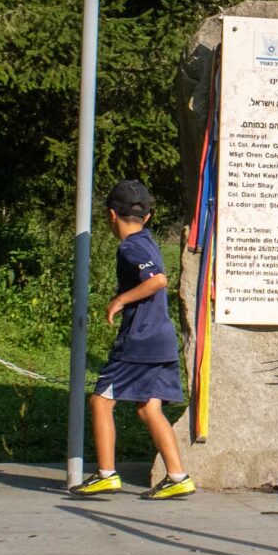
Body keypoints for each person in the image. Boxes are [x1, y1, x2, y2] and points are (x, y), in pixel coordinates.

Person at [71, 179, 194, 500]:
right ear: (147, 217)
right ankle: (178, 476)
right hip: (162, 339)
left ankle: (106, 474)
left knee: (101, 401)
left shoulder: (130, 247)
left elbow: (157, 280)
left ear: (111, 215)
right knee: (148, 408)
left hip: (139, 339)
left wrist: (120, 300)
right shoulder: (147, 240)